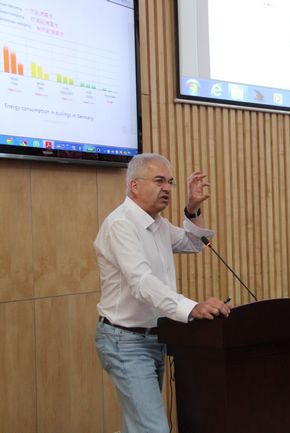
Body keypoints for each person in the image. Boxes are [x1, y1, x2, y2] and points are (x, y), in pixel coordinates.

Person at [94, 153, 231, 433]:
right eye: (159, 181)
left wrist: (192, 209)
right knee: (153, 428)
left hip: (155, 338)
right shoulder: (120, 224)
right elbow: (142, 282)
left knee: (140, 426)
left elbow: (194, 243)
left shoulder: (159, 225)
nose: (167, 188)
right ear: (134, 185)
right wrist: (190, 307)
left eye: (170, 182)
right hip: (126, 341)